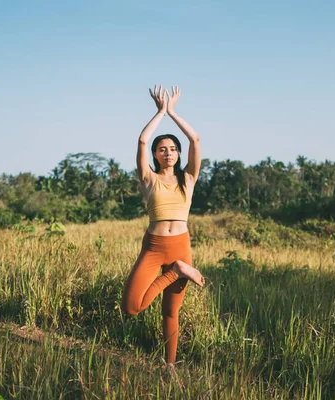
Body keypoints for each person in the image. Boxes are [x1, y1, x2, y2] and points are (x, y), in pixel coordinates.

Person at [121, 85, 205, 369]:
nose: (167, 153)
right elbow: (142, 140)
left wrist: (173, 112)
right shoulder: (148, 179)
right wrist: (160, 112)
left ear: (178, 154)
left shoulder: (189, 178)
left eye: (172, 149)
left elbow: (194, 138)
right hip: (154, 248)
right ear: (156, 155)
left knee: (171, 312)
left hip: (181, 246)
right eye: (162, 149)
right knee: (132, 307)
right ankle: (178, 273)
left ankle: (169, 366)